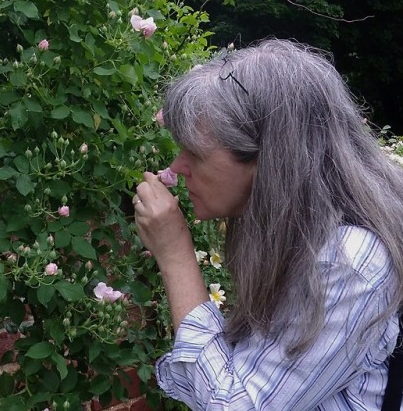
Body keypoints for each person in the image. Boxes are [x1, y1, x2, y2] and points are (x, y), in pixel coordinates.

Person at [132, 38, 403, 410]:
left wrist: (176, 255)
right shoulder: (297, 236)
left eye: (194, 152)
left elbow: (236, 405)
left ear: (270, 160)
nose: (178, 168)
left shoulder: (350, 261)